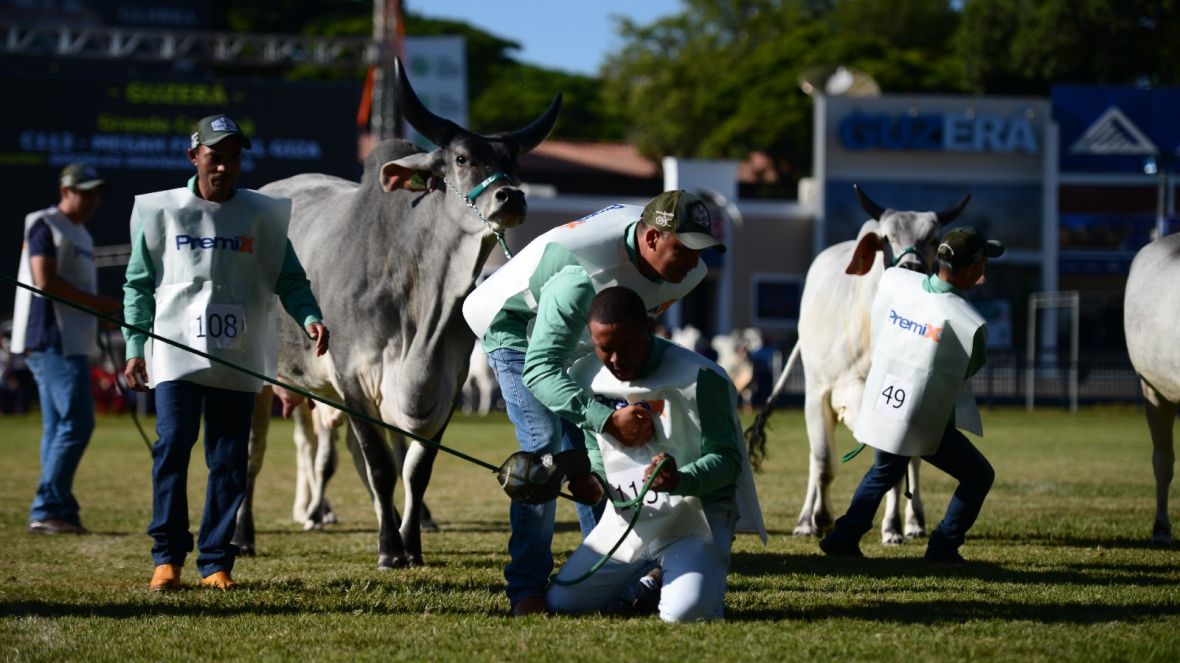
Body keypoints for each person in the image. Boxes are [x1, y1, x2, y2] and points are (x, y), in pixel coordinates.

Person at [462, 190, 724, 616]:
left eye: (701, 250)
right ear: (652, 238)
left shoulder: (688, 274)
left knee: (597, 453)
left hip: (583, 337)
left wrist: (605, 427)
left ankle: (611, 570)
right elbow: (542, 369)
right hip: (513, 326)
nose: (695, 262)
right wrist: (602, 419)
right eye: (685, 249)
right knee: (545, 451)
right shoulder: (578, 273)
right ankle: (525, 589)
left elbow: (627, 338)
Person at [122, 114, 329, 591]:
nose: (225, 166)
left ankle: (216, 560)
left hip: (238, 355)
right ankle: (166, 557)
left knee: (229, 459)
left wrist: (310, 316)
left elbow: (290, 279)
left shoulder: (262, 215)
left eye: (234, 158)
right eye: (216, 156)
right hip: (176, 355)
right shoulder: (161, 212)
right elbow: (137, 284)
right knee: (172, 447)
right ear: (194, 157)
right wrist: (135, 345)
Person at [546, 286, 766, 622]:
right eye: (605, 349)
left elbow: (728, 460)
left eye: (625, 347)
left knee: (683, 615)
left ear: (649, 329)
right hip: (628, 521)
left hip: (695, 520)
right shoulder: (585, 375)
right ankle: (648, 583)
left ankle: (677, 581)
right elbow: (596, 450)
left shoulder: (701, 377)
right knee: (563, 603)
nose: (616, 360)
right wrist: (594, 480)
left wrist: (681, 479)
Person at [819, 226, 1001, 563]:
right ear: (971, 268)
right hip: (923, 415)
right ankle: (943, 545)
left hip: (887, 399)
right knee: (979, 476)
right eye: (983, 261)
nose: (985, 267)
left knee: (882, 473)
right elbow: (968, 368)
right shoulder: (967, 321)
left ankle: (843, 536)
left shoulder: (898, 281)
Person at [12, 162, 121, 535]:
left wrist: (98, 315)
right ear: (65, 191)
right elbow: (44, 281)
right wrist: (97, 304)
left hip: (73, 339)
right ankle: (47, 507)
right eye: (85, 191)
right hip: (50, 338)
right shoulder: (44, 223)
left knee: (58, 427)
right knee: (77, 423)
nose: (92, 200)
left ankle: (57, 510)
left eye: (96, 193)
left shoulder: (82, 234)